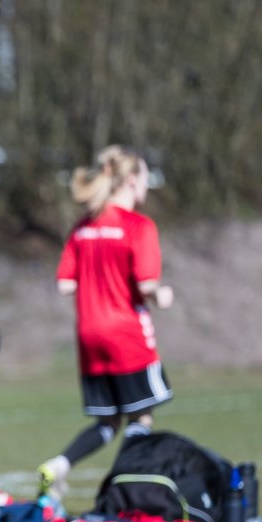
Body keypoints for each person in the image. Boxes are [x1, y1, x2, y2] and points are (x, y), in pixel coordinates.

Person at [37, 145, 174, 501]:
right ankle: (125, 489)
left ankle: (59, 465)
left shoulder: (83, 227)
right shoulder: (138, 226)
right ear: (130, 180)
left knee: (107, 422)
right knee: (141, 418)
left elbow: (64, 284)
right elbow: (146, 284)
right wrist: (161, 295)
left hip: (89, 336)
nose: (147, 185)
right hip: (126, 334)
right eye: (145, 177)